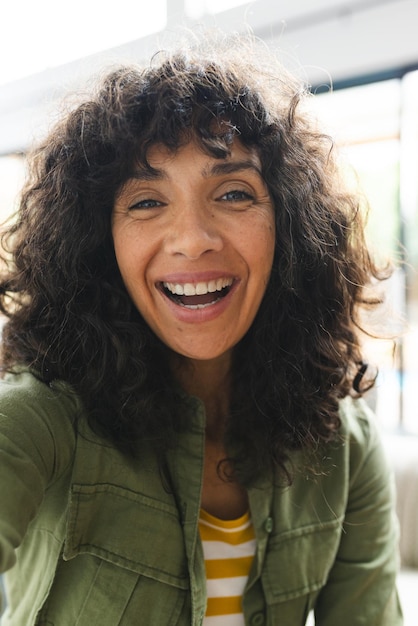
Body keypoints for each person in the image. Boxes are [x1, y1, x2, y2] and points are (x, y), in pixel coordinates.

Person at [0, 31, 403, 625]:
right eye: (145, 202)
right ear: (97, 242)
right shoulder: (43, 418)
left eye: (234, 192)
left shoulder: (345, 444)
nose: (193, 238)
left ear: (287, 229)